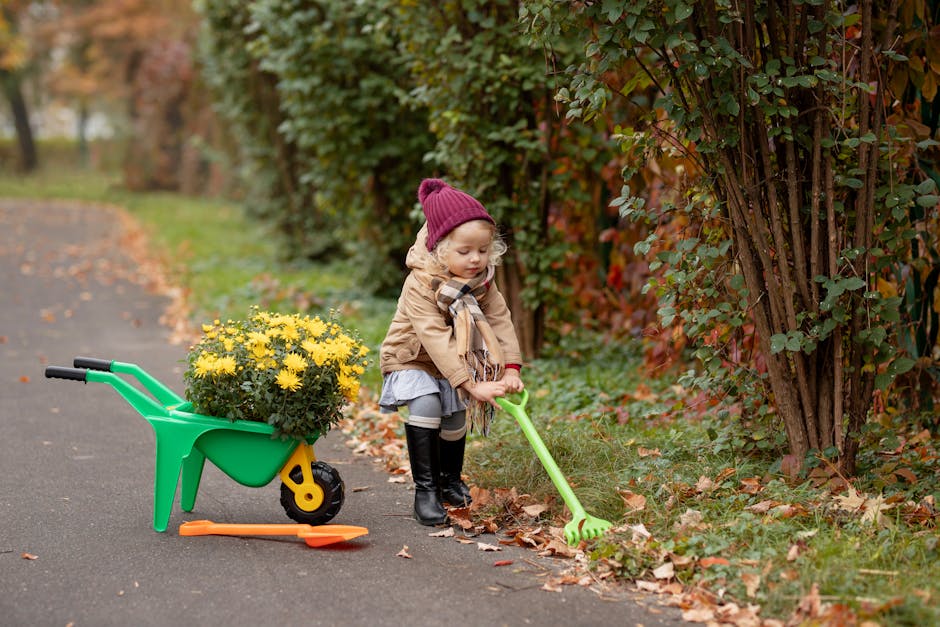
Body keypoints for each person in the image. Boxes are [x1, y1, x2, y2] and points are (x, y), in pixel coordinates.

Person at [379, 178, 525, 526]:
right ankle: (425, 491)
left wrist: (511, 369)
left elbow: (500, 320)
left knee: (455, 415)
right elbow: (434, 337)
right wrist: (472, 384)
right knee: (429, 403)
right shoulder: (420, 283)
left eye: (483, 250)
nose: (476, 259)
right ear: (440, 249)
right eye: (465, 252)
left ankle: (449, 480)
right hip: (411, 357)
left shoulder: (482, 280)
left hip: (450, 362)